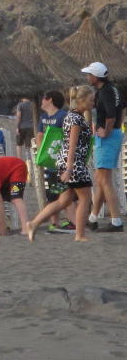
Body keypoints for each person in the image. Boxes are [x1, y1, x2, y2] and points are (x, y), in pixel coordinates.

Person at [27, 84, 96, 243]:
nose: (93, 103)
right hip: (74, 164)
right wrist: (70, 168)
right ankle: (80, 235)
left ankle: (34, 223)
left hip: (66, 162)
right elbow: (72, 144)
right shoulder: (75, 118)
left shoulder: (71, 116)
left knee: (63, 201)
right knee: (85, 198)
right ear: (81, 100)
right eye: (91, 100)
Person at [81, 62, 123, 232]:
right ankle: (93, 218)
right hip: (113, 134)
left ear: (96, 77)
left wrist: (106, 131)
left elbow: (111, 115)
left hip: (108, 137)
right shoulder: (113, 89)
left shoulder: (105, 92)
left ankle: (116, 221)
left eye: (89, 74)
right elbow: (121, 110)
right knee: (100, 179)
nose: (87, 77)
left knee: (105, 181)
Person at [38, 89, 74, 232]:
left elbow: (70, 136)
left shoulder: (63, 116)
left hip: (63, 161)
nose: (41, 101)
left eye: (43, 98)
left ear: (50, 100)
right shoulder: (43, 117)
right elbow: (40, 135)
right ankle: (55, 223)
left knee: (64, 193)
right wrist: (42, 154)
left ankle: (73, 222)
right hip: (50, 161)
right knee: (53, 192)